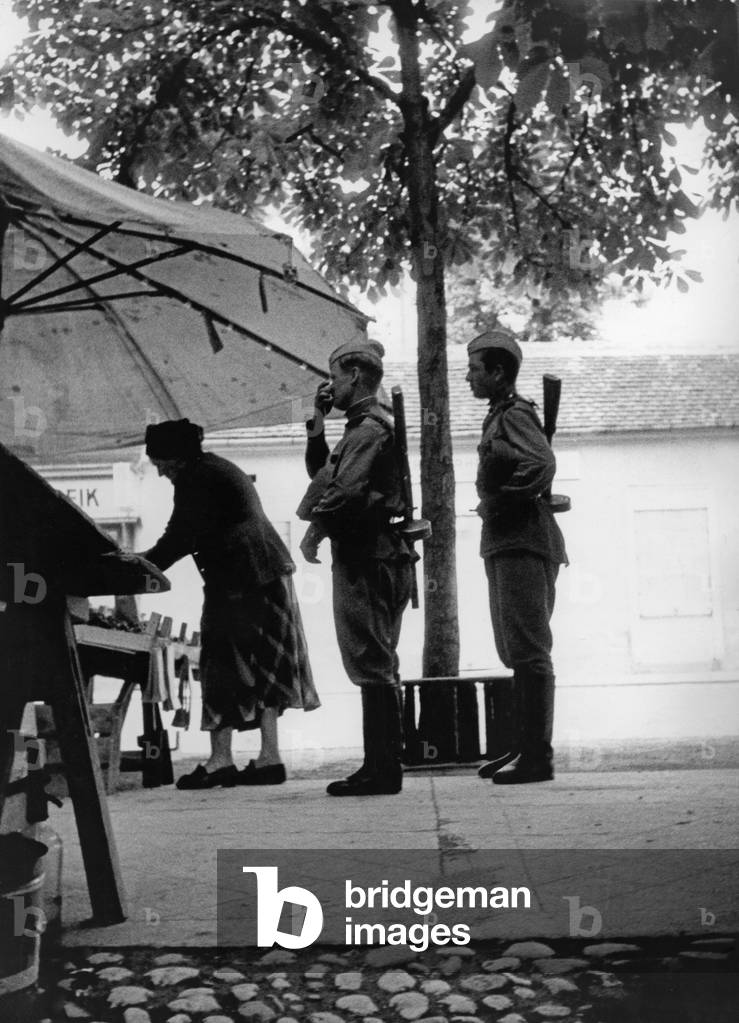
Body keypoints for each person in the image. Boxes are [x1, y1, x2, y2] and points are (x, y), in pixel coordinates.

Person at [142, 418, 319, 790]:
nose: (160, 472)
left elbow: (178, 537)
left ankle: (221, 760)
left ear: (177, 458)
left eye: (161, 463)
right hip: (267, 574)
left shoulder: (195, 478)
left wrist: (136, 567)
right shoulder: (214, 468)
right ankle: (269, 758)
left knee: (220, 664)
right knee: (267, 663)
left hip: (240, 580)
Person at [298, 340, 413, 796]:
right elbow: (323, 475)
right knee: (376, 661)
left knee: (371, 661)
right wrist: (316, 422)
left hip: (367, 556)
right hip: (376, 553)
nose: (331, 386)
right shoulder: (361, 428)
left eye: (335, 376)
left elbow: (343, 493)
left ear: (356, 376)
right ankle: (380, 765)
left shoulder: (367, 430)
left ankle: (382, 770)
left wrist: (316, 529)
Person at [467, 329, 567, 784]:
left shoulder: (516, 413)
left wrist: (503, 500)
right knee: (513, 649)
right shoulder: (499, 415)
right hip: (507, 542)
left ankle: (537, 757)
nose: (469, 377)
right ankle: (524, 746)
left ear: (497, 372)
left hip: (524, 540)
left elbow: (541, 463)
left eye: (475, 369)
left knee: (529, 650)